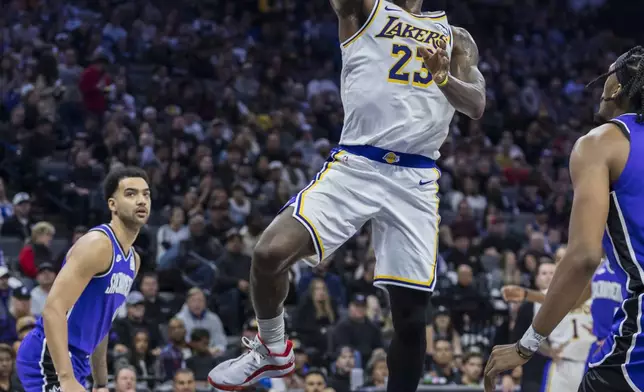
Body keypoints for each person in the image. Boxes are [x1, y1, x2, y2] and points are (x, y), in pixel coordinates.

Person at [207, 0, 486, 389]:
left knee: (410, 318)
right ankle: (272, 349)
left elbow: (476, 104)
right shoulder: (364, 9)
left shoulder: (456, 38)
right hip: (357, 163)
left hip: (415, 178)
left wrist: (444, 78)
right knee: (269, 253)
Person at [483, 46, 644, 392]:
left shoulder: (602, 143)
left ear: (617, 88)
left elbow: (584, 256)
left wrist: (526, 344)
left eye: (608, 74)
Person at [15, 166, 151, 392]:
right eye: (131, 194)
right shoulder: (97, 244)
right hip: (49, 357)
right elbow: (53, 309)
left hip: (78, 361)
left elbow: (102, 323)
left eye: (145, 194)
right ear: (112, 205)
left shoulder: (133, 261)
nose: (141, 200)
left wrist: (101, 382)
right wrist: (66, 377)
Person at [502, 256, 623, 371]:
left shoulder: (631, 269)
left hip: (619, 347)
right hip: (587, 353)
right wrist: (527, 294)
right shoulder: (599, 272)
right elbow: (567, 302)